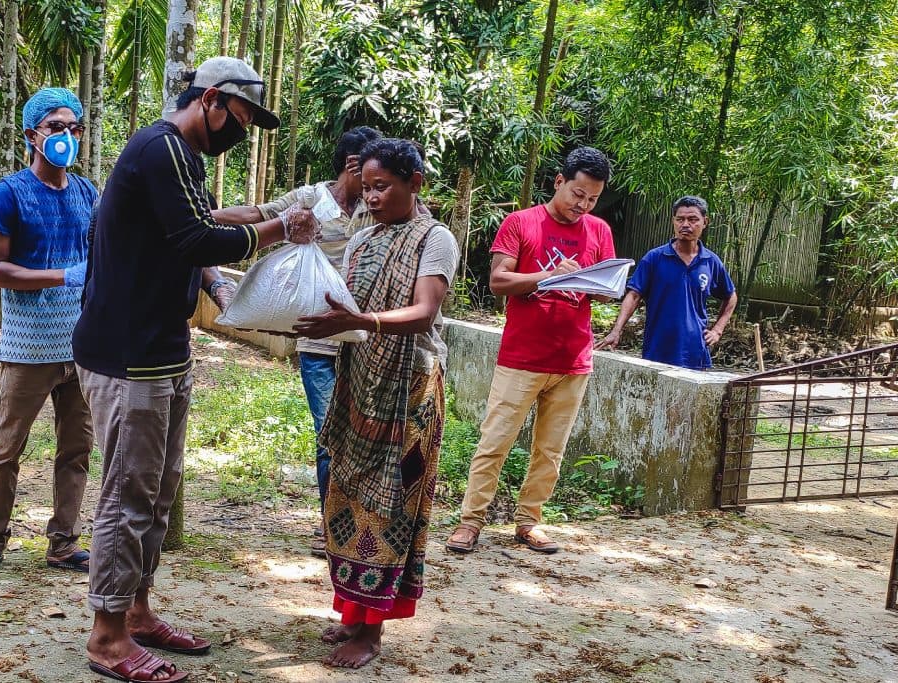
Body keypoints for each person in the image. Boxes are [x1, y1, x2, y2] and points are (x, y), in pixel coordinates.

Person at [72, 57, 316, 683]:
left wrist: (216, 283)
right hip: (129, 356)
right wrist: (279, 229)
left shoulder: (184, 159)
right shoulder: (161, 149)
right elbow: (196, 239)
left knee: (157, 494)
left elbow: (190, 238)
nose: (241, 131)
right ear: (210, 100)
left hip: (165, 349)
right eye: (240, 117)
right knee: (127, 495)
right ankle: (107, 637)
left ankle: (137, 613)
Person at [294, 138, 460, 669]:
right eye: (366, 187)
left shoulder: (436, 239)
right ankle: (351, 612)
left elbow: (424, 311)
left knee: (391, 506)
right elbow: (339, 300)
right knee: (346, 496)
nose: (370, 197)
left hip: (409, 390)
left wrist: (361, 321)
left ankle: (371, 633)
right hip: (358, 381)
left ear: (415, 183)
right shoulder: (363, 239)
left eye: (382, 186)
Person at [210, 126, 382, 556]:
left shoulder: (380, 205)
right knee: (329, 434)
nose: (376, 182)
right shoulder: (310, 198)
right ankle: (333, 527)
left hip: (365, 340)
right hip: (320, 344)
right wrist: (201, 217)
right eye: (370, 170)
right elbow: (257, 214)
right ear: (352, 165)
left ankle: (360, 523)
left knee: (365, 435)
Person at [445, 146, 615, 555]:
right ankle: (470, 521)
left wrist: (601, 285)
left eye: (592, 199)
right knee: (494, 442)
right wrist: (548, 276)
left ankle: (529, 522)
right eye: (577, 193)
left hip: (573, 360)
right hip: (521, 358)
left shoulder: (599, 230)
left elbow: (607, 288)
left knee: (551, 450)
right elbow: (498, 281)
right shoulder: (521, 222)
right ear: (559, 182)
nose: (583, 205)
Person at [0, 88, 96, 578]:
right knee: (7, 447)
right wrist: (62, 276)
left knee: (76, 449)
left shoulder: (87, 193)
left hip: (82, 346)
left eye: (74, 128)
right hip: (28, 344)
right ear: (32, 134)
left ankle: (64, 542)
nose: (66, 136)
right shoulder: (10, 192)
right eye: (55, 127)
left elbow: (102, 257)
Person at [595, 195, 738, 369]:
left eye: (693, 219)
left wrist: (717, 330)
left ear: (705, 222)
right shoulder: (655, 258)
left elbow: (731, 296)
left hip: (695, 351)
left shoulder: (710, 262)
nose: (685, 225)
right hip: (657, 350)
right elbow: (633, 296)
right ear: (673, 221)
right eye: (680, 219)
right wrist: (616, 330)